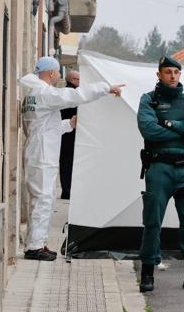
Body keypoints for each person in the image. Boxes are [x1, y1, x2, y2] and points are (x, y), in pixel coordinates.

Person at [20, 57, 124, 261]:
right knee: (42, 201)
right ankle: (34, 247)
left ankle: (37, 243)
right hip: (42, 154)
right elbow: (73, 95)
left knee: (43, 201)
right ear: (51, 73)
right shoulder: (44, 92)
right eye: (58, 72)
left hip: (38, 151)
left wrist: (70, 124)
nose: (60, 76)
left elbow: (44, 127)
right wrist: (105, 87)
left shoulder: (31, 95)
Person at [137, 55, 184, 292]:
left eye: (176, 72)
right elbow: (149, 131)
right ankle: (148, 273)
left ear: (180, 74)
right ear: (158, 75)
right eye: (167, 71)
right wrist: (181, 130)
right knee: (153, 221)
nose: (172, 76)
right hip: (159, 168)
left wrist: (169, 124)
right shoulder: (148, 100)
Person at [59, 70, 80, 200]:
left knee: (65, 162)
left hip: (65, 131)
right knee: (68, 162)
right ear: (73, 80)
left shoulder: (64, 92)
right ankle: (68, 191)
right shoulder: (73, 94)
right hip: (69, 130)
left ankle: (66, 190)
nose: (81, 82)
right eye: (78, 79)